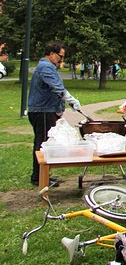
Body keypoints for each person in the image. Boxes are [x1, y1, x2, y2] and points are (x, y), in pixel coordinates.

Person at [27, 42, 81, 186]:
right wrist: (71, 100)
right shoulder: (46, 67)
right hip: (43, 111)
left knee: (45, 142)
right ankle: (39, 178)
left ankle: (42, 175)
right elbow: (57, 88)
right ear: (51, 53)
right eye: (60, 56)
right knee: (43, 143)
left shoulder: (49, 67)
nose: (61, 60)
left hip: (46, 110)